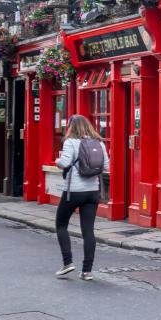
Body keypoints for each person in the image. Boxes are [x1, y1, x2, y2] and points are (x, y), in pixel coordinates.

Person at [54, 115, 110, 280]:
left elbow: (64, 163)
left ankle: (67, 263)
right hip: (93, 191)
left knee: (61, 225)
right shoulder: (99, 142)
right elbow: (106, 166)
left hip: (73, 191)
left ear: (72, 127)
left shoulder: (70, 142)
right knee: (88, 231)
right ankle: (87, 271)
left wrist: (57, 160)